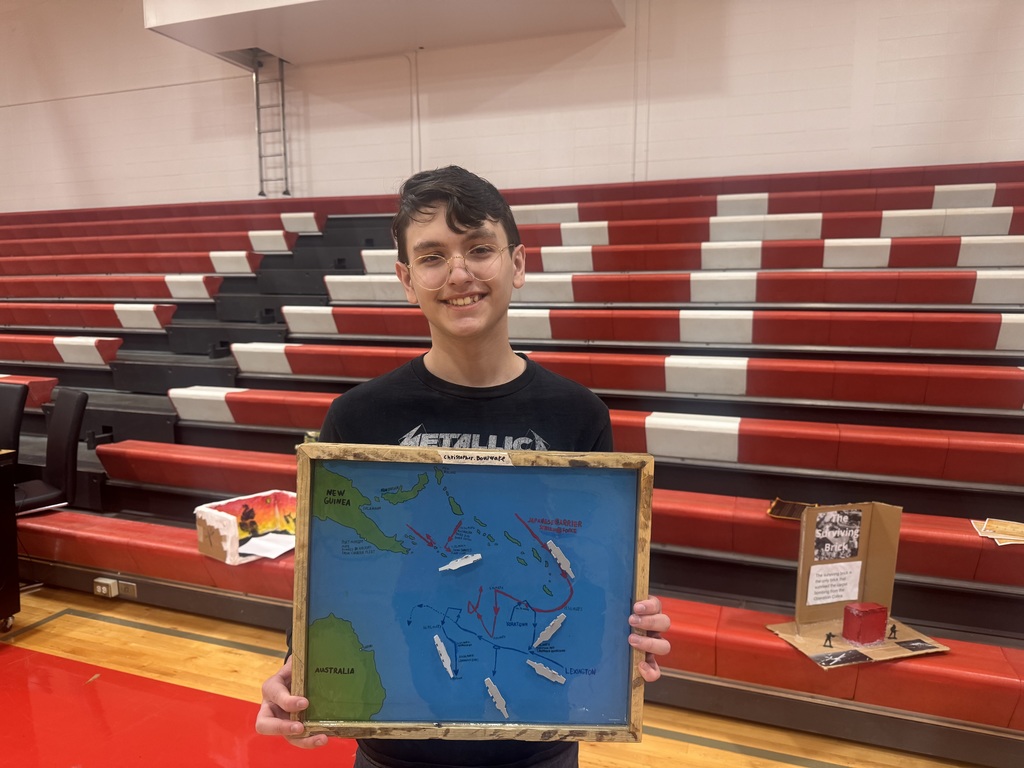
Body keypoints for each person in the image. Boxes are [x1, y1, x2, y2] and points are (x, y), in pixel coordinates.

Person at [255, 165, 672, 767]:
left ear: (518, 264)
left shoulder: (579, 417)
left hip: (537, 749)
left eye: (479, 249)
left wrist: (631, 630)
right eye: (432, 256)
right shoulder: (357, 418)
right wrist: (298, 669)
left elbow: (592, 576)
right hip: (398, 744)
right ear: (406, 278)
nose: (459, 274)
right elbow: (334, 577)